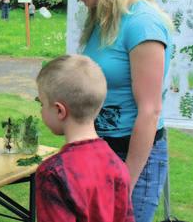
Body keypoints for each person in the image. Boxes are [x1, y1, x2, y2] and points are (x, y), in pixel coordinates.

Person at [59, 0, 172, 222]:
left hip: (134, 158)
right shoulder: (103, 19)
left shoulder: (142, 23)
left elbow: (150, 110)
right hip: (101, 150)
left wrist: (125, 182)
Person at [35, 55, 134, 222]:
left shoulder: (52, 174)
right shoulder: (117, 165)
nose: (41, 111)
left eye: (42, 104)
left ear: (60, 110)